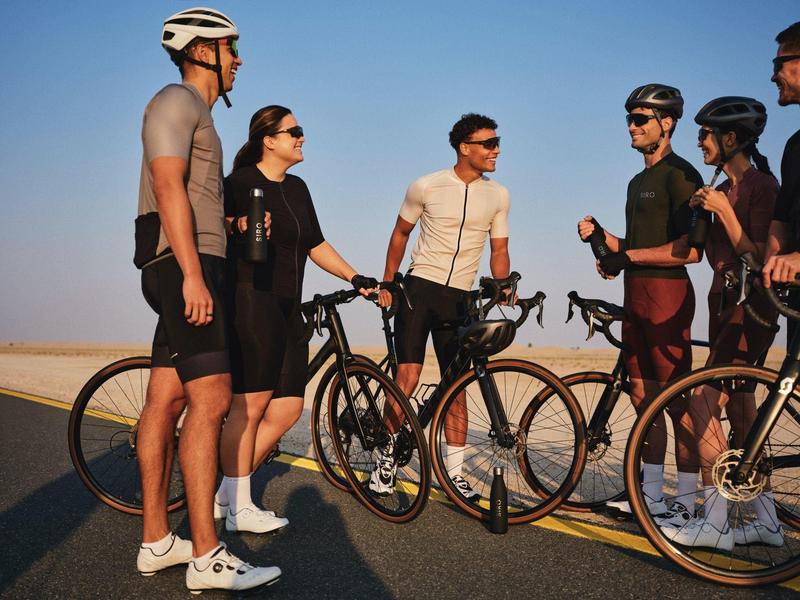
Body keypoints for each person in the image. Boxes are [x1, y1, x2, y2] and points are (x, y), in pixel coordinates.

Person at [133, 8, 280, 593]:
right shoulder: (175, 100)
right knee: (212, 399)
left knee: (166, 398)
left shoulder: (201, 117)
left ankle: (156, 543)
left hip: (190, 260)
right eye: (231, 48)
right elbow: (167, 184)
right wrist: (193, 275)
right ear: (201, 51)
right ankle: (207, 555)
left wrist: (226, 221)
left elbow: (189, 193)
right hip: (182, 264)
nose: (239, 59)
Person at [214, 105, 378, 528]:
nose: (301, 137)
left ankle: (225, 493)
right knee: (248, 408)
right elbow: (215, 228)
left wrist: (356, 275)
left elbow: (315, 244)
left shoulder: (299, 188)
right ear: (269, 140)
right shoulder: (239, 183)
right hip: (250, 302)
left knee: (286, 409)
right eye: (294, 131)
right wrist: (235, 223)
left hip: (290, 307)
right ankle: (240, 507)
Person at [577, 84, 704, 522]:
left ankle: (686, 505)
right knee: (641, 396)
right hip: (636, 294)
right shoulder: (637, 181)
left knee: (677, 400)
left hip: (667, 296)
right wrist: (602, 239)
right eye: (629, 119)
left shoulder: (682, 174)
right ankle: (648, 497)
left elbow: (690, 249)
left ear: (667, 123)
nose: (631, 127)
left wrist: (625, 256)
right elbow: (637, 244)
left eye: (640, 119)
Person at [663, 97, 781, 550]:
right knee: (744, 410)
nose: (700, 142)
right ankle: (767, 523)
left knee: (701, 404)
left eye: (705, 134)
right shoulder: (724, 185)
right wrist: (704, 215)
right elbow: (716, 257)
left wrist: (725, 213)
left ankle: (715, 522)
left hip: (750, 305)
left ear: (730, 138)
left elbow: (758, 257)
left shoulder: (761, 186)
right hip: (725, 301)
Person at [375, 113, 511, 497]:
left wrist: (502, 284)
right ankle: (386, 458)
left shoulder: (498, 194)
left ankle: (454, 474)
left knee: (457, 387)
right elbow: (401, 233)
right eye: (489, 143)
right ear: (464, 147)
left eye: (498, 142)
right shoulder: (427, 185)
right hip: (420, 291)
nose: (496, 149)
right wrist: (388, 282)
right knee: (408, 377)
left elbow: (499, 249)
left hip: (460, 298)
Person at [763, 22, 800, 344]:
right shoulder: (794, 145)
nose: (773, 75)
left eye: (779, 64)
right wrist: (768, 264)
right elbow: (782, 219)